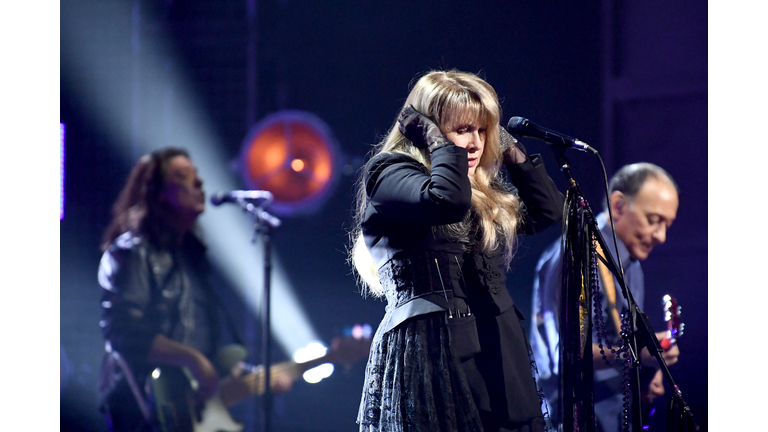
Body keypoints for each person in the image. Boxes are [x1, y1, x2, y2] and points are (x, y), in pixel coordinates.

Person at [349, 69, 565, 432]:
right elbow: (445, 202)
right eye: (463, 129)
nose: (477, 142)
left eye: (482, 130)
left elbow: (549, 212)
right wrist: (439, 143)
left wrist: (509, 149)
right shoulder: (388, 172)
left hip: (499, 350)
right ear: (425, 129)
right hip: (434, 350)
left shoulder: (480, 188)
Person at [96, 147, 290, 432]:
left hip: (190, 412)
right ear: (159, 192)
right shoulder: (132, 251)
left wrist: (248, 375)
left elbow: (207, 343)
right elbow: (123, 332)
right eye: (183, 176)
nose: (198, 183)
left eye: (197, 175)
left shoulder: (193, 258)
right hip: (143, 408)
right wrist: (193, 359)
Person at [529, 162, 682, 432]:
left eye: (667, 225)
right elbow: (565, 353)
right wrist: (637, 351)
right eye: (654, 220)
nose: (661, 236)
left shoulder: (631, 264)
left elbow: (618, 340)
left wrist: (650, 370)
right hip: (574, 414)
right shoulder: (577, 253)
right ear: (619, 205)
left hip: (613, 414)